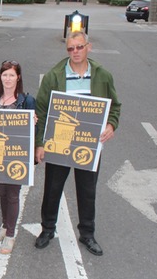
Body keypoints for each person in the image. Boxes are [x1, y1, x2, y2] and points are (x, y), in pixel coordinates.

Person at [34, 31, 121, 257]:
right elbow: (42, 111)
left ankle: (87, 234)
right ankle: (47, 229)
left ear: (88, 47)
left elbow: (115, 106)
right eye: (71, 48)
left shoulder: (102, 75)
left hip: (88, 145)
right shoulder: (54, 75)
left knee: (87, 190)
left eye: (79, 47)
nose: (75, 52)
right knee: (52, 189)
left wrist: (111, 125)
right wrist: (40, 143)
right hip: (59, 142)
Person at [0, 60, 36, 254]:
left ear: (18, 77)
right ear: (0, 77)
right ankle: (4, 225)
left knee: (12, 194)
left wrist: (33, 122)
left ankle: (10, 235)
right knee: (1, 193)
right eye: (4, 75)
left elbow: (32, 130)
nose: (7, 78)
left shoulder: (26, 100)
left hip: (15, 156)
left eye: (11, 75)